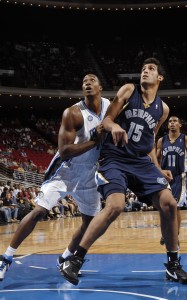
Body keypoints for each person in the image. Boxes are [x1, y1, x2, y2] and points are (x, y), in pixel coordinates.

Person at [61, 57, 187, 285]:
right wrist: (115, 125)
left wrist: (158, 169)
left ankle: (173, 265)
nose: (145, 72)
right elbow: (105, 121)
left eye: (151, 69)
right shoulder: (130, 90)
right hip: (115, 159)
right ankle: (75, 259)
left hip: (141, 163)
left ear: (160, 78)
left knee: (169, 203)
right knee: (116, 205)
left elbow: (149, 142)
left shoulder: (163, 109)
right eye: (143, 69)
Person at [0, 74, 110, 281]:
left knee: (90, 222)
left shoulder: (109, 108)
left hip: (89, 173)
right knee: (39, 211)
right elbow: (65, 150)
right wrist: (94, 142)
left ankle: (66, 257)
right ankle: (5, 258)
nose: (87, 82)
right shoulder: (73, 113)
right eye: (84, 81)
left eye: (92, 80)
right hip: (66, 169)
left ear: (100, 87)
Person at [157, 116, 187, 245]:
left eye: (175, 121)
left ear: (180, 125)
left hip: (179, 177)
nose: (172, 123)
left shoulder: (184, 139)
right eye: (170, 121)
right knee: (162, 207)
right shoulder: (161, 140)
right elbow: (156, 159)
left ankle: (175, 235)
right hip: (164, 177)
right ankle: (165, 233)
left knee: (175, 207)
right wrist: (158, 172)